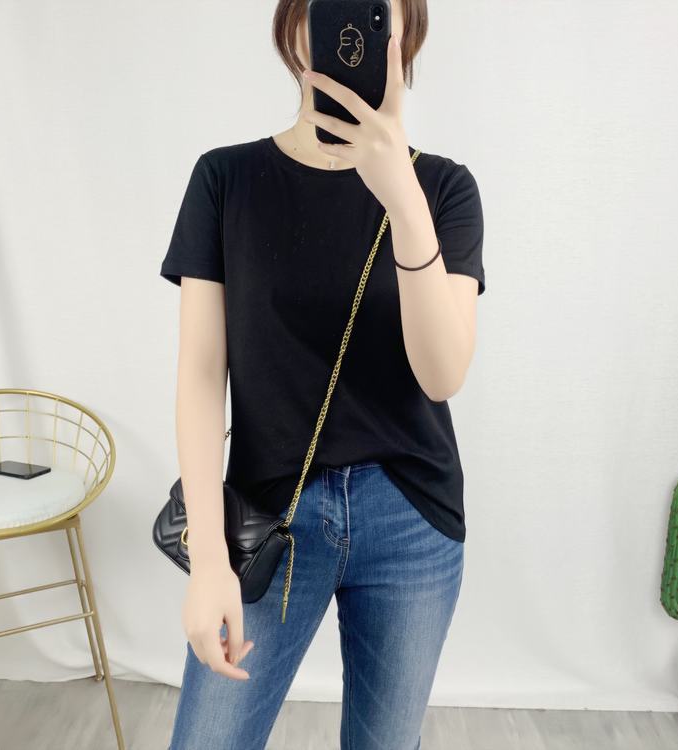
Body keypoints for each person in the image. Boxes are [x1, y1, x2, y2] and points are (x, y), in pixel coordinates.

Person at [159, 1, 485, 747]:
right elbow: (201, 376)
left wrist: (401, 196)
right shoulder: (225, 180)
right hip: (271, 515)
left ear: (402, 33)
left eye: (372, 10)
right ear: (295, 24)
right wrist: (207, 561)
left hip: (411, 519)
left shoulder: (443, 189)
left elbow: (441, 375)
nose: (348, 32)